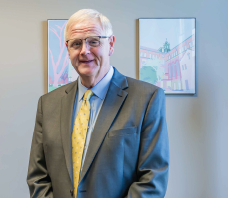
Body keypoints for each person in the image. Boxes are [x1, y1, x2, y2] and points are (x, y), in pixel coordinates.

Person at [27, 9, 169, 198]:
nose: (85, 51)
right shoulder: (48, 103)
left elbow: (152, 180)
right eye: (76, 43)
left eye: (93, 41)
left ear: (110, 44)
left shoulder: (147, 98)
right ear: (68, 50)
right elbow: (38, 177)